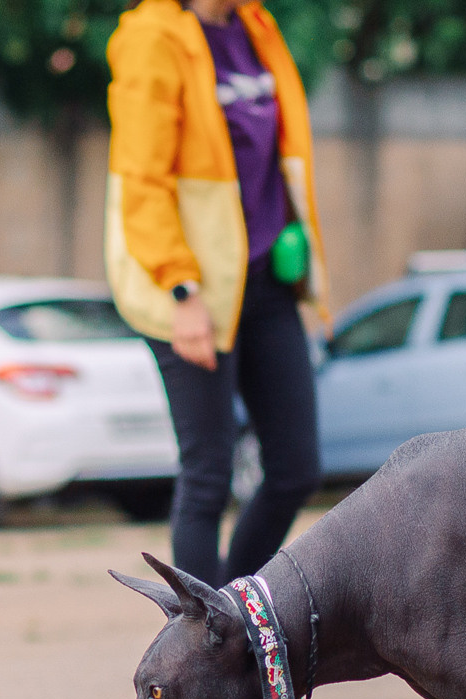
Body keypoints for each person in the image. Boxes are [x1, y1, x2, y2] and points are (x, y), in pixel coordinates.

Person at [105, 0, 330, 586]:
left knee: (296, 468)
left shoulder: (255, 26)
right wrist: (183, 291)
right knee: (208, 474)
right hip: (193, 292)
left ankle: (228, 610)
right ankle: (203, 641)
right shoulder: (153, 37)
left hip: (265, 280)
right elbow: (142, 182)